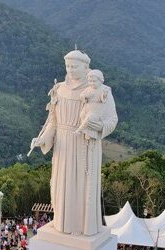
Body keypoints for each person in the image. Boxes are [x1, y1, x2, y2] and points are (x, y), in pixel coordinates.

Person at [30, 50, 117, 235]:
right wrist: (43, 138)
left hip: (85, 145)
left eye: (74, 66)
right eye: (67, 66)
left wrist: (98, 126)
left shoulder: (101, 92)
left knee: (82, 187)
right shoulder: (59, 89)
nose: (70, 69)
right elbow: (53, 120)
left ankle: (81, 226)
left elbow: (112, 120)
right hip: (62, 145)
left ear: (86, 68)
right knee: (61, 185)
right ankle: (62, 223)